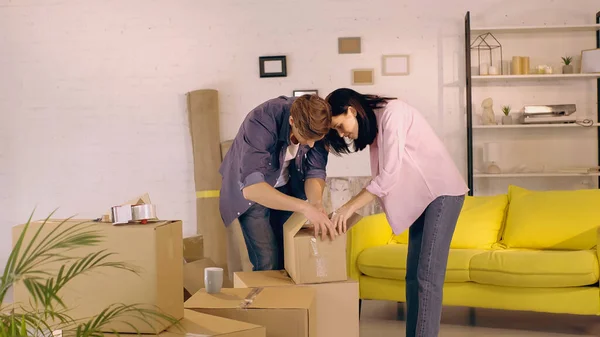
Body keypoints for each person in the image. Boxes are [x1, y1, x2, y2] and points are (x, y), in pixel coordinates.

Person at [324, 88, 468, 337]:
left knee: (427, 277)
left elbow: (387, 177)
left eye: (339, 126)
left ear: (351, 110)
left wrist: (348, 207)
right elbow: (384, 180)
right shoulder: (376, 123)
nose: (343, 133)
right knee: (413, 278)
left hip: (442, 194)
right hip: (423, 198)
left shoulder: (393, 113)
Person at [219, 94, 336, 272]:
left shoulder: (319, 123)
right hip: (253, 193)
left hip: (287, 188)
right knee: (268, 261)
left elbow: (315, 171)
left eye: (316, 139)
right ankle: (266, 299)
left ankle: (287, 300)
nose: (312, 145)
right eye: (306, 138)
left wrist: (316, 203)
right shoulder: (260, 121)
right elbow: (252, 189)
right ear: (291, 121)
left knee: (289, 256)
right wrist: (305, 208)